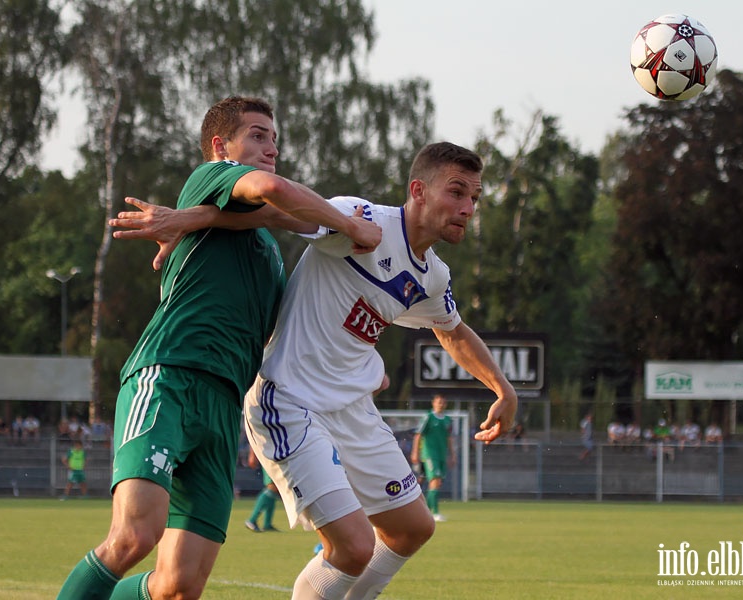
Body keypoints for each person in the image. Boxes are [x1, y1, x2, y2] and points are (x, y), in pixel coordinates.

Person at [119, 141, 518, 599]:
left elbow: (454, 332)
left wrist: (503, 389)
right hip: (289, 400)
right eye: (457, 192)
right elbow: (273, 213)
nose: (468, 207)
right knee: (352, 546)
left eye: (474, 198)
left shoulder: (432, 276)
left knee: (412, 528)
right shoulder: (359, 219)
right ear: (418, 190)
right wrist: (187, 219)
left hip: (352, 410)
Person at [56, 96, 381, 600]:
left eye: (274, 138)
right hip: (169, 377)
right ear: (219, 145)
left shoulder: (266, 249)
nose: (270, 147)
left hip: (225, 407)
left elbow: (281, 217)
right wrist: (355, 225)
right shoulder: (210, 175)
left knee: (178, 586)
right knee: (135, 535)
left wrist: (360, 363)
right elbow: (274, 192)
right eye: (257, 134)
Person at [410, 394, 456, 522]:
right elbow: (418, 435)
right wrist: (415, 452)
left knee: (436, 483)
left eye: (443, 402)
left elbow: (449, 438)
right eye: (438, 402)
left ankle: (427, 513)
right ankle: (434, 512)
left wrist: (452, 454)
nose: (441, 404)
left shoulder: (448, 420)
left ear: (445, 404)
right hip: (430, 454)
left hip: (441, 454)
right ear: (433, 403)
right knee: (434, 481)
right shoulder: (428, 417)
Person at [244, 446, 281, 533]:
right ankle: (251, 520)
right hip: (269, 455)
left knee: (275, 488)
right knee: (272, 486)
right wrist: (252, 454)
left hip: (274, 454)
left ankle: (267, 524)